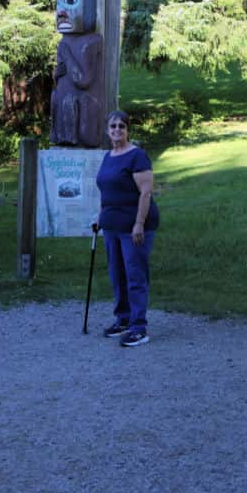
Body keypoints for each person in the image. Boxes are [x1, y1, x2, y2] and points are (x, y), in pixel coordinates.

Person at [95, 109, 159, 347]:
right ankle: (123, 319)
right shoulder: (108, 156)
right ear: (107, 130)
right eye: (113, 126)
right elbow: (106, 192)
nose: (117, 130)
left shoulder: (137, 156)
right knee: (117, 275)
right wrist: (99, 217)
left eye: (121, 126)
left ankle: (138, 327)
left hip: (134, 226)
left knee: (135, 276)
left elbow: (145, 192)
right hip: (111, 226)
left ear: (128, 129)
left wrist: (139, 224)